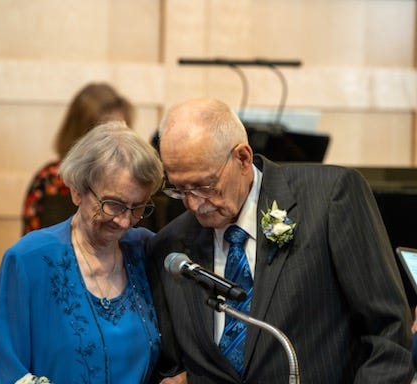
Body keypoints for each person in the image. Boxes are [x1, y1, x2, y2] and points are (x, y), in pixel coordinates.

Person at [146, 98, 414, 383]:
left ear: (243, 158)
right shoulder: (171, 246)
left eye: (204, 186)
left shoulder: (329, 199)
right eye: (179, 188)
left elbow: (388, 332)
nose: (193, 203)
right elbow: (172, 363)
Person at [0, 122, 164, 383]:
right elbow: (7, 372)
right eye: (112, 205)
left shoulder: (146, 251)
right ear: (77, 191)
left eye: (137, 207)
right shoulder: (29, 260)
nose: (125, 221)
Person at [22, 82, 134, 235]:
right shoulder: (50, 180)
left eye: (121, 131)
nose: (114, 142)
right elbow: (31, 246)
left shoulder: (135, 180)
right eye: (104, 133)